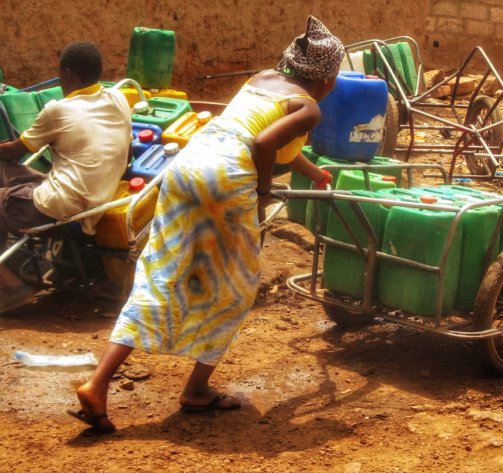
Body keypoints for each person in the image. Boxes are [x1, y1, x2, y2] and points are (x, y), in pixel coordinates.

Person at [68, 16, 343, 434]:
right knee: (236, 285)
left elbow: (263, 137)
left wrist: (312, 170)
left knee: (161, 272)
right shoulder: (310, 107)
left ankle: (97, 384)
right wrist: (263, 192)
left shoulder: (263, 79)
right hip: (227, 178)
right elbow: (263, 144)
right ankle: (196, 390)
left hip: (188, 167)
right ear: (328, 76)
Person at [0, 42, 131, 313]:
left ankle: (10, 288)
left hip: (63, 205)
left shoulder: (58, 110)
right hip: (98, 197)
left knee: (9, 182)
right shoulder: (119, 98)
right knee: (13, 177)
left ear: (69, 75)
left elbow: (14, 151)